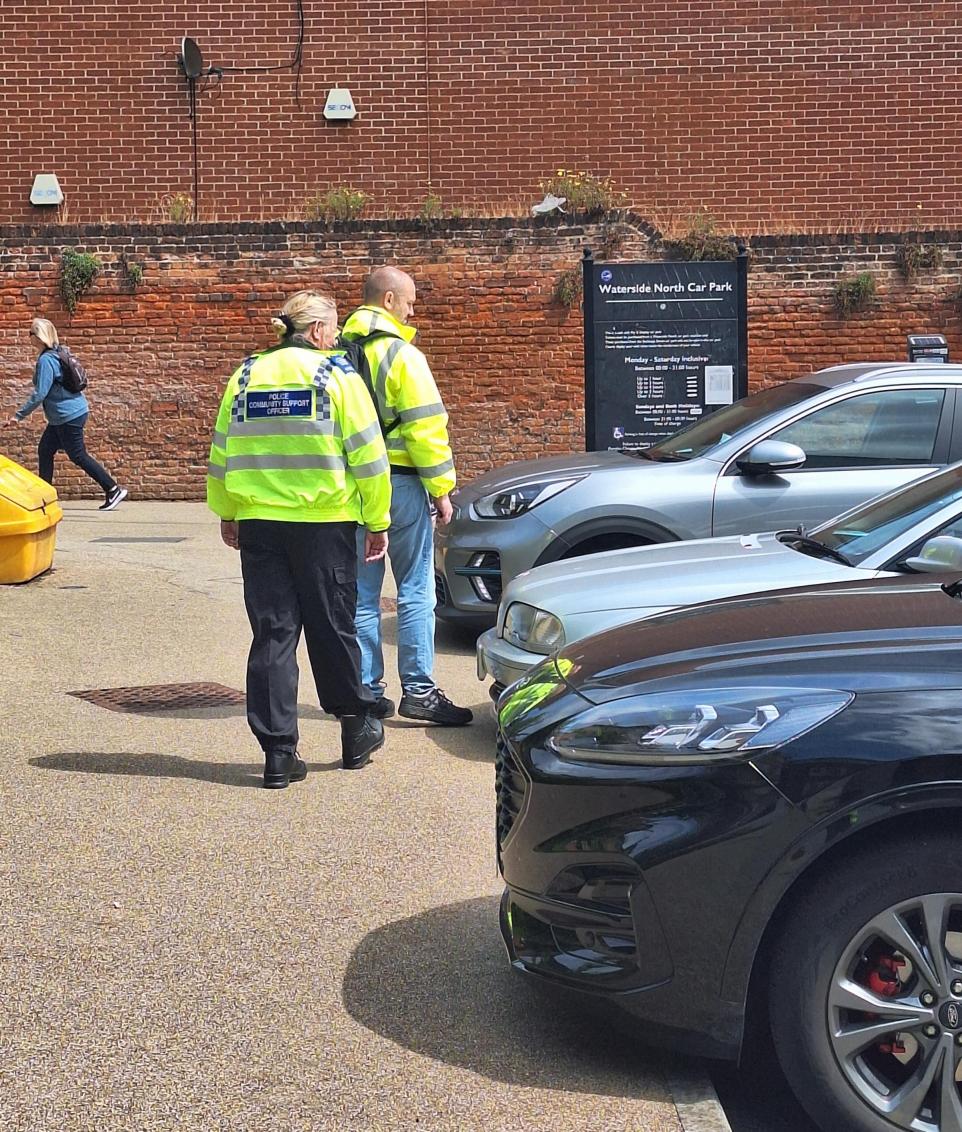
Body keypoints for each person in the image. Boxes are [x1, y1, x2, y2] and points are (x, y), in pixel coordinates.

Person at [206, 290, 392, 783]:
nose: (335, 338)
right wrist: (378, 521)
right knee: (333, 626)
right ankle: (356, 731)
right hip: (324, 522)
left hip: (261, 525)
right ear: (315, 331)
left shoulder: (245, 375)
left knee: (273, 633)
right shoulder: (338, 377)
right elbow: (369, 458)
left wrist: (228, 511)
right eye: (332, 329)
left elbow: (222, 450)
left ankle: (278, 754)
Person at [341, 267, 472, 726]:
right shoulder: (402, 356)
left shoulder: (334, 354)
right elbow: (425, 428)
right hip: (401, 485)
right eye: (411, 301)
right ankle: (418, 690)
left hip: (352, 488)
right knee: (416, 588)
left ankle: (366, 689)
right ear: (390, 300)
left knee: (360, 595)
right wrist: (441, 488)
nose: (415, 310)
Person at [4, 318, 126, 510]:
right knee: (45, 450)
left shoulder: (46, 360)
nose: (29, 337)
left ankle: (112, 489)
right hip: (64, 416)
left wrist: (18, 415)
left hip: (68, 416)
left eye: (30, 334)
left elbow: (40, 393)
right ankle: (46, 496)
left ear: (38, 337)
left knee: (78, 455)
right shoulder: (59, 352)